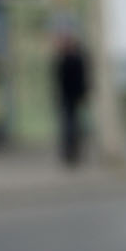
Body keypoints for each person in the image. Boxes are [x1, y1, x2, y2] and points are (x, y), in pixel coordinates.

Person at [53, 35, 89, 167]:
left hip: (70, 96)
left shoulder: (69, 59)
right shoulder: (70, 59)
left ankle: (72, 151)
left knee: (71, 125)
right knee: (71, 125)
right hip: (69, 96)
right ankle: (71, 151)